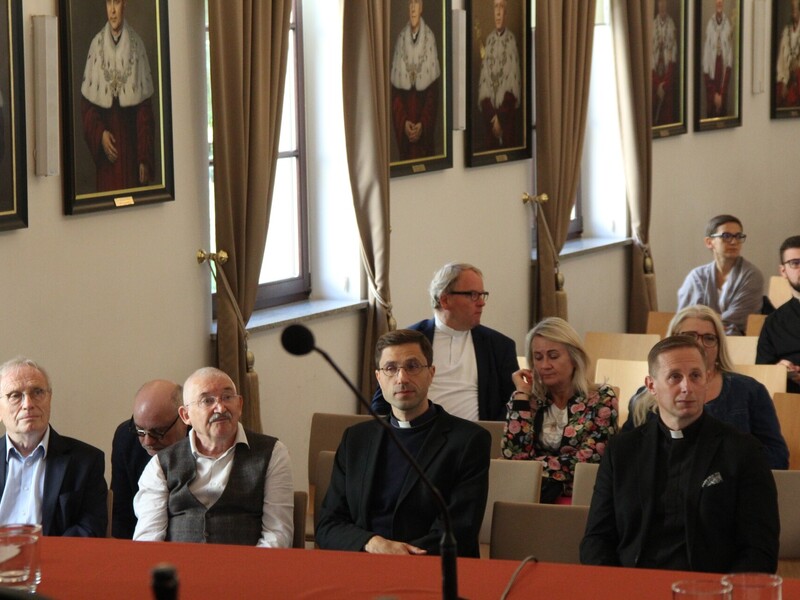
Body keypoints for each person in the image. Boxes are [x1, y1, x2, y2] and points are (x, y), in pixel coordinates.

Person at [580, 336, 779, 573]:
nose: (687, 387)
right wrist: (615, 585)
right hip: (634, 581)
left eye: (695, 375)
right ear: (651, 386)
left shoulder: (742, 451)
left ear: (707, 379)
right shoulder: (622, 450)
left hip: (710, 586)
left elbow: (759, 548)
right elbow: (597, 538)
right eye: (675, 376)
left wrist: (724, 589)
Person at [317, 329, 490, 556]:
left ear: (431, 373)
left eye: (412, 366)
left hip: (431, 566)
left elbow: (460, 529)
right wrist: (373, 544)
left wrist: (400, 556)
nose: (402, 378)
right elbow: (328, 524)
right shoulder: (356, 440)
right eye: (390, 368)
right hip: (364, 560)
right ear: (379, 378)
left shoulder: (468, 441)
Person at [133, 367, 294, 546]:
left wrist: (251, 564)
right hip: (178, 563)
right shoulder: (161, 464)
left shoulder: (272, 453)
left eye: (227, 397)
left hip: (247, 562)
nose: (220, 407)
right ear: (185, 415)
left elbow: (277, 533)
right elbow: (148, 539)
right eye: (207, 400)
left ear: (240, 404)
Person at [624, 305, 789, 469]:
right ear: (672, 341)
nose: (699, 345)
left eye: (709, 338)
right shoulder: (644, 398)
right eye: (689, 336)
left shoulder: (750, 391)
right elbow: (626, 454)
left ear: (719, 346)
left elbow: (777, 456)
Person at [371, 263, 518, 421]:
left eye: (482, 295)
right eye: (473, 295)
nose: (482, 302)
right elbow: (381, 405)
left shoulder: (499, 346)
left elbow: (512, 404)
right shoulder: (408, 343)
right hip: (420, 432)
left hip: (479, 433)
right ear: (445, 300)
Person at [502, 317, 618, 503]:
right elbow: (513, 456)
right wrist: (521, 394)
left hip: (583, 498)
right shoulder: (527, 399)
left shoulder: (601, 397)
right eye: (538, 358)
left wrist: (531, 468)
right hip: (530, 497)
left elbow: (589, 462)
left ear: (574, 358)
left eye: (553, 356)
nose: (545, 365)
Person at [0, 357, 107, 537]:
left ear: (49, 398)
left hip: (55, 555)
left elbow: (90, 528)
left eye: (37, 392)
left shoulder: (86, 461)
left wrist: (44, 552)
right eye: (15, 396)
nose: (28, 404)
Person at [80, 0, 155, 192]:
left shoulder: (137, 45)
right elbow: (87, 108)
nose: (112, 11)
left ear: (125, 4)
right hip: (107, 158)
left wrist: (143, 158)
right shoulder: (96, 45)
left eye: (117, 3)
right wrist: (100, 134)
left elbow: (145, 110)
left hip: (131, 151)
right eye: (109, 3)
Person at [110, 379, 188, 538]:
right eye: (140, 430)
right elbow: (121, 514)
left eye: (158, 432)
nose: (147, 442)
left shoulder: (204, 441)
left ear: (184, 418)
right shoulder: (125, 438)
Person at [677, 214, 764, 335]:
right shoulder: (696, 277)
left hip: (737, 340)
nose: (734, 242)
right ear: (709, 242)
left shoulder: (752, 275)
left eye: (738, 236)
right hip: (695, 340)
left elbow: (741, 319)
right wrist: (715, 325)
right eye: (726, 236)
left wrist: (705, 325)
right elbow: (684, 318)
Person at [390, 0, 441, 161]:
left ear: (421, 7)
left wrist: (423, 125)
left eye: (416, 3)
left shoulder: (430, 39)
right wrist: (404, 123)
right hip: (405, 135)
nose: (413, 8)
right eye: (410, 3)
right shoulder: (400, 40)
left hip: (424, 135)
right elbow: (395, 95)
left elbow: (433, 94)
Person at [757, 235, 800, 394]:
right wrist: (779, 370)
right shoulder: (773, 322)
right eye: (795, 263)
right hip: (789, 399)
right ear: (783, 271)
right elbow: (763, 373)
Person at [478, 0, 522, 150]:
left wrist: (500, 119)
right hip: (490, 123)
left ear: (506, 13)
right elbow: (484, 86)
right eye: (495, 7)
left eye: (501, 7)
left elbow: (512, 90)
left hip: (507, 122)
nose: (498, 12)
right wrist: (493, 117)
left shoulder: (511, 41)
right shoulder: (489, 41)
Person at [701, 0, 734, 118]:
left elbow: (729, 62)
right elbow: (706, 63)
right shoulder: (710, 25)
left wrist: (721, 95)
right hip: (712, 82)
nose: (719, 3)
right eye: (717, 1)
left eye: (721, 1)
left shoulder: (727, 24)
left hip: (722, 79)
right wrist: (714, 95)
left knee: (723, 115)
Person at [652, 0, 678, 125]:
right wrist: (657, 84)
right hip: (655, 79)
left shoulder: (672, 25)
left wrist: (665, 85)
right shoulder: (652, 26)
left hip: (667, 79)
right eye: (660, 3)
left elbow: (673, 57)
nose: (662, 6)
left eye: (664, 3)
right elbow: (650, 57)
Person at [776, 0, 800, 108]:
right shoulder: (786, 31)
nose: (793, 13)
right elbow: (781, 60)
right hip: (786, 80)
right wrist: (784, 82)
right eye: (792, 9)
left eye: (796, 9)